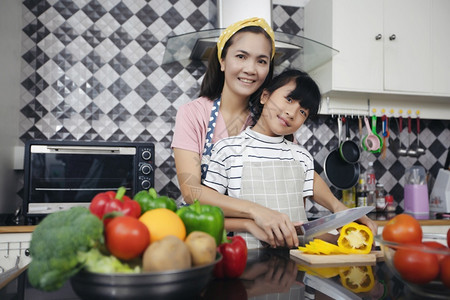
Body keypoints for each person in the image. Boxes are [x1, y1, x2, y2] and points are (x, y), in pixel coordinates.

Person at [172, 18, 376, 248]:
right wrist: (254, 215)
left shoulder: (272, 118)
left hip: (273, 245)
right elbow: (192, 192)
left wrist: (339, 209)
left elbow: (302, 170)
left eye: (261, 61)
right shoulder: (194, 114)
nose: (250, 69)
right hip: (213, 239)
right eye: (241, 56)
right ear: (222, 60)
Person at [202, 69, 325, 248]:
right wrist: (250, 225)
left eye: (303, 112)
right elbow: (211, 213)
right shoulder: (227, 149)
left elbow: (299, 221)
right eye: (289, 99)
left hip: (296, 259)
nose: (292, 113)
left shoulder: (302, 157)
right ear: (265, 96)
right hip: (246, 257)